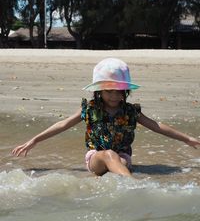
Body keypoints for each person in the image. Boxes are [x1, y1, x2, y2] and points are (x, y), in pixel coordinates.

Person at [12, 58, 200, 177]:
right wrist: (34, 140)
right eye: (108, 91)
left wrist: (188, 139)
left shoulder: (130, 112)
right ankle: (134, 187)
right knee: (109, 156)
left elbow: (157, 126)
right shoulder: (90, 109)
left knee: (119, 163)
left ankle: (127, 185)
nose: (113, 95)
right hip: (95, 158)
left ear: (125, 92)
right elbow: (63, 124)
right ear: (99, 91)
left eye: (118, 91)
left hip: (123, 156)